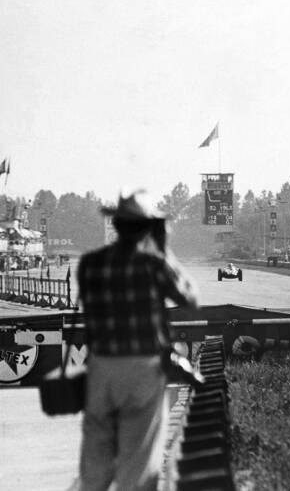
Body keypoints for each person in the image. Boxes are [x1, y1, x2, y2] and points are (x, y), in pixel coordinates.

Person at [77, 189, 198, 491]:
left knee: (95, 457)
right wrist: (162, 248)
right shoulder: (153, 265)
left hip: (102, 366)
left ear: (116, 226)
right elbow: (189, 297)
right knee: (138, 458)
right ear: (146, 228)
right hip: (143, 368)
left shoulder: (90, 264)